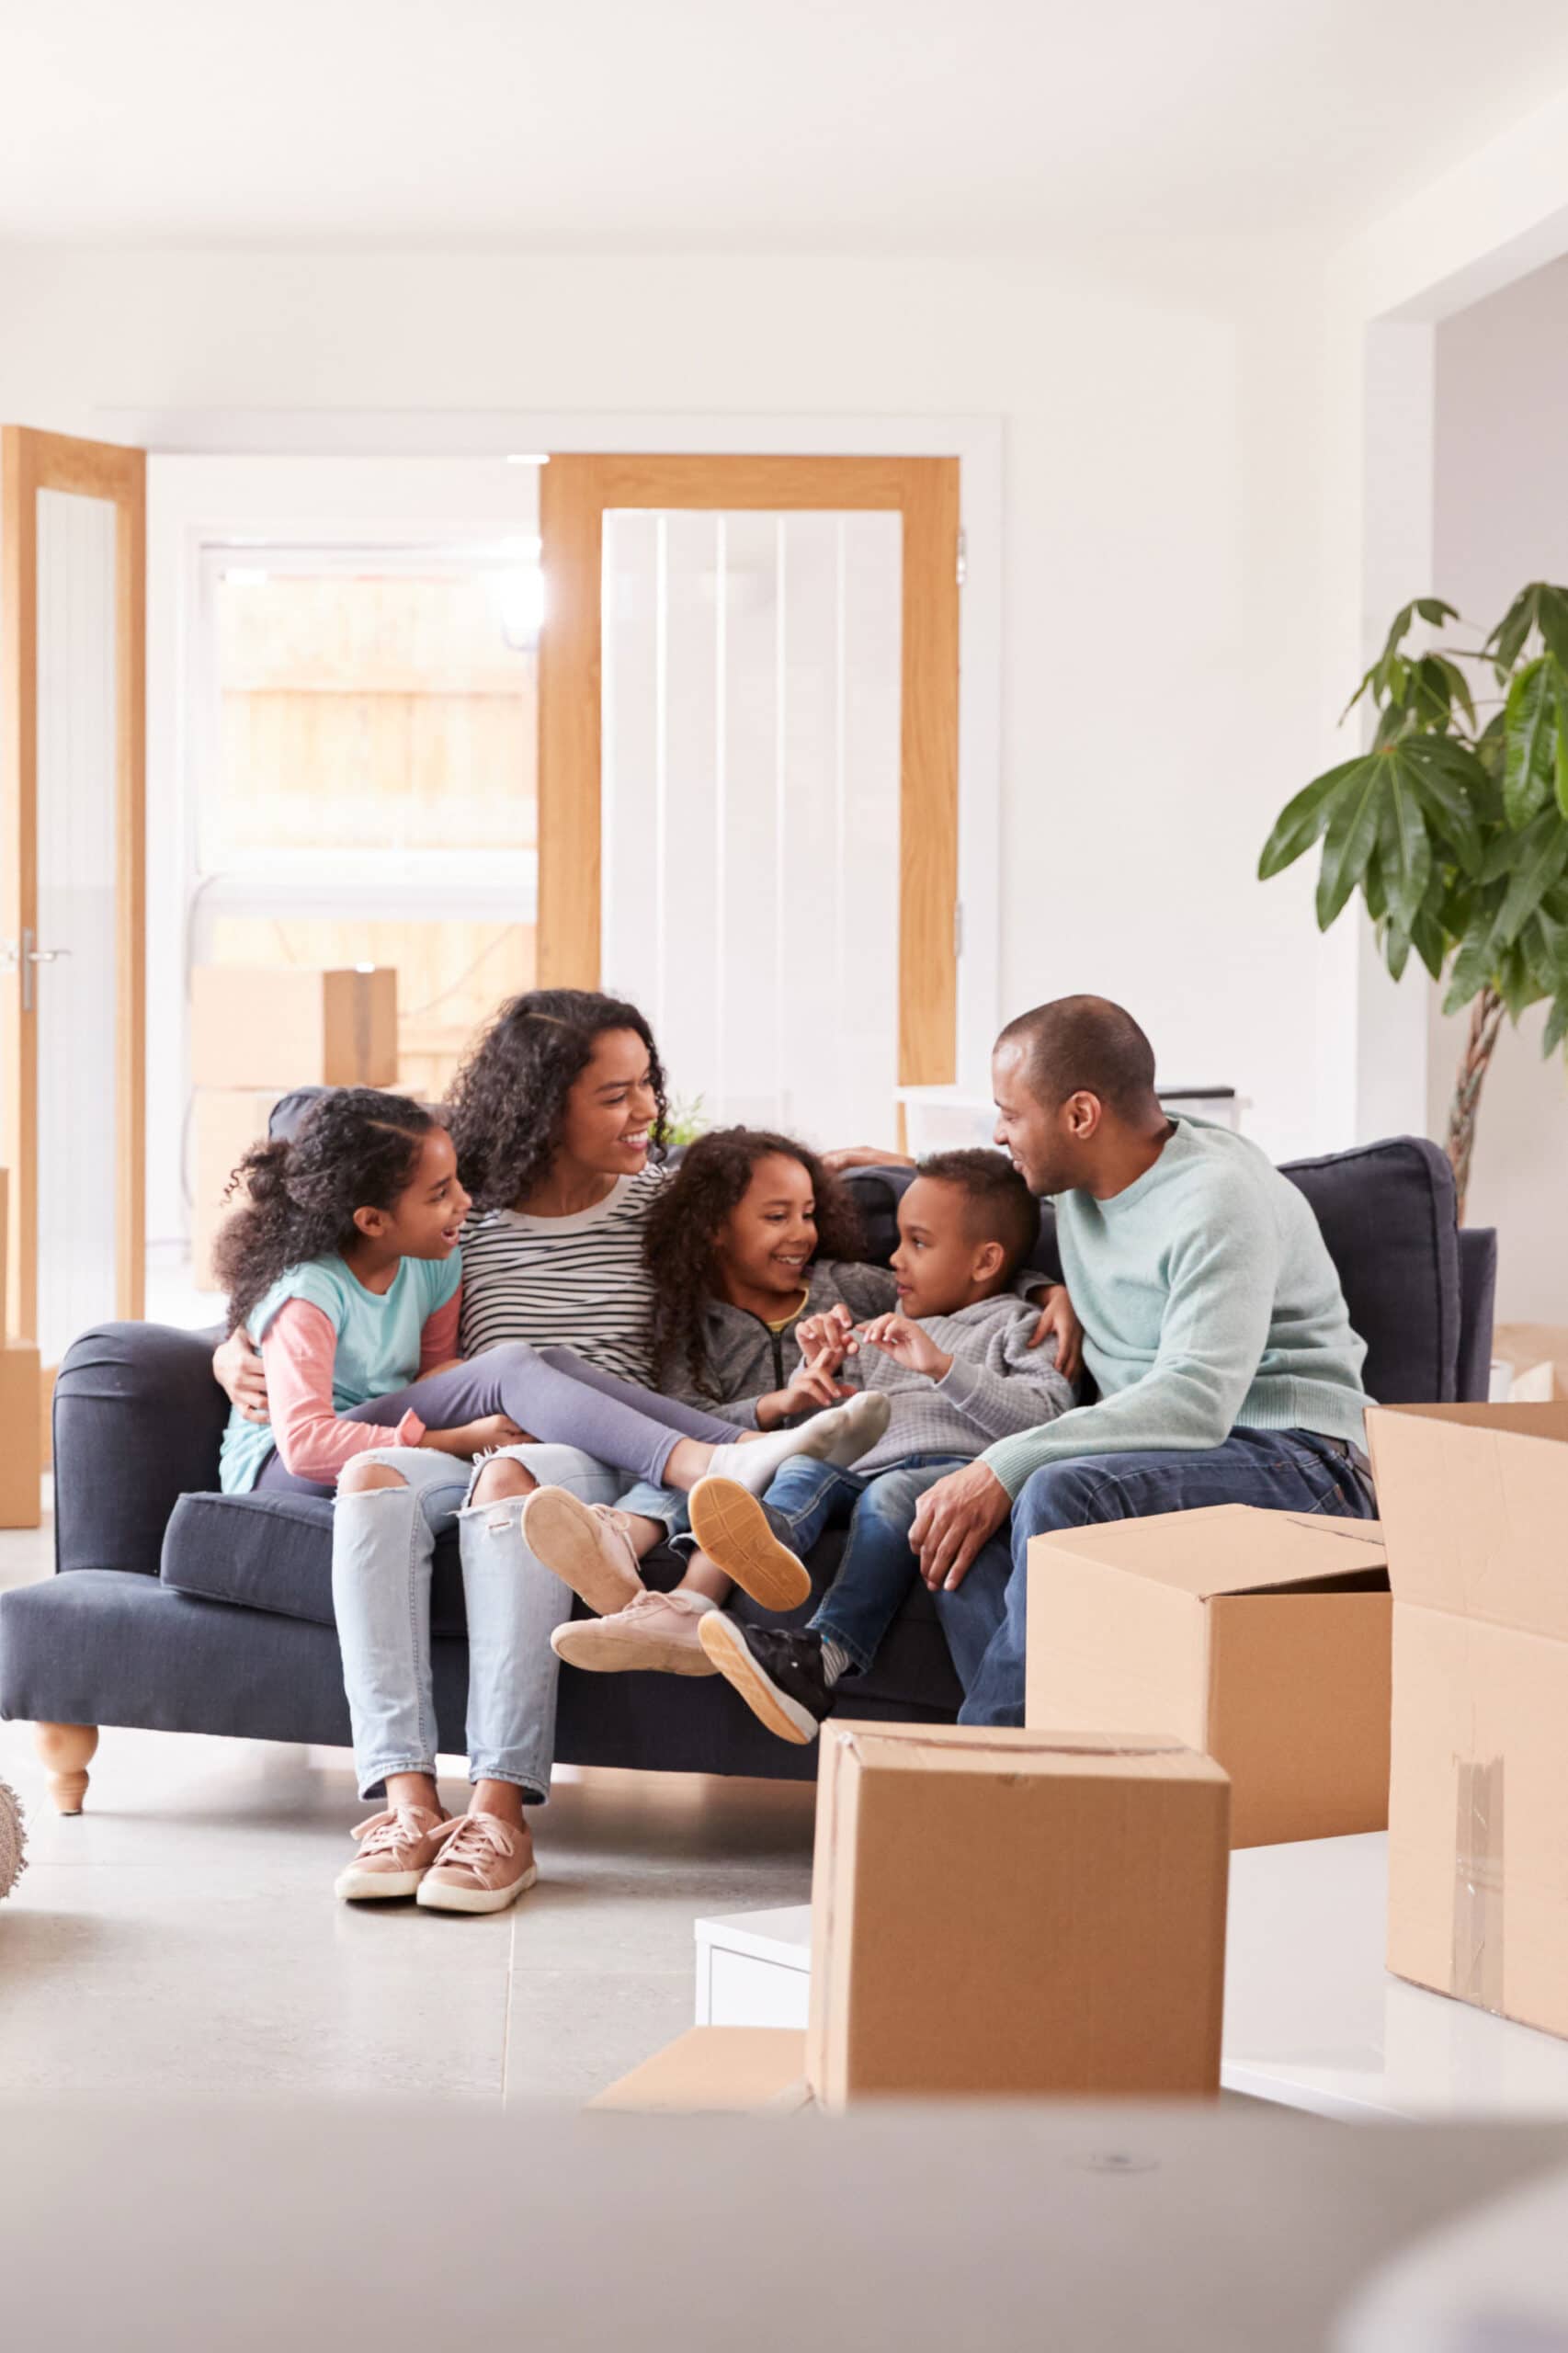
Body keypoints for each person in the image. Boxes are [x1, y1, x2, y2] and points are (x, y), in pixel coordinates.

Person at [210, 998, 879, 1911]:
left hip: (591, 1450)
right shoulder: (455, 1211)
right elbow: (312, 1223)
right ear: (540, 1105)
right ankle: (405, 1801)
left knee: (511, 1478)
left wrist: (1030, 1281)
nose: (644, 1108)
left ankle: (498, 1813)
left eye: (648, 1083)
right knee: (372, 1477)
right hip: (460, 1437)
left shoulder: (668, 1200)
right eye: (614, 1092)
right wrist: (229, 1343)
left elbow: (812, 1236)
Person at [832, 995, 1376, 1726]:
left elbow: (1194, 1400)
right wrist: (1046, 1285)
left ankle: (984, 1772)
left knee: (1055, 1492)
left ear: (1081, 1115)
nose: (998, 1133)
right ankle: (1062, 1772)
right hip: (1180, 1455)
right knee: (950, 1523)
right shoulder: (1087, 1179)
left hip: (1301, 1459)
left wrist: (1006, 1463)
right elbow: (987, 1230)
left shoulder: (1219, 1199)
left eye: (1010, 1114)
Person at [527, 1129, 1081, 1674]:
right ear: (714, 1229)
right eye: (777, 1216)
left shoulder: (863, 1293)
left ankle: (708, 1572)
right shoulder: (690, 1321)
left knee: (785, 1470)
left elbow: (968, 1275)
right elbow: (685, 1416)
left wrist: (1046, 1288)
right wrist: (790, 1395)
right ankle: (639, 1546)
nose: (802, 1233)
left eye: (809, 1214)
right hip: (741, 1452)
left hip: (862, 1461)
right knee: (718, 1469)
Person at [684, 1149, 1077, 1743]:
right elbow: (852, 1419)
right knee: (804, 1467)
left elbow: (1046, 1417)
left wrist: (944, 1366)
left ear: (986, 1262)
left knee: (891, 1497)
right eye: (899, 1239)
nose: (894, 1258)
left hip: (951, 1472)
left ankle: (824, 1656)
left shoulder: (1019, 1327)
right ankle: (769, 1541)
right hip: (869, 1465)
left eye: (917, 1242)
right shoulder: (892, 1320)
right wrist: (820, 1371)